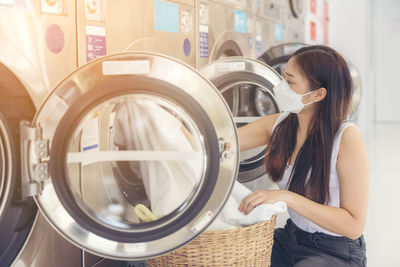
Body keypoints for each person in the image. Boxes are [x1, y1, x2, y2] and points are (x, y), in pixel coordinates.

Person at [237, 45, 369, 266]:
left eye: (290, 82)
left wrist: (287, 197)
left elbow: (353, 225)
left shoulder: (346, 138)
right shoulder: (280, 125)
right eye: (283, 78)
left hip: (335, 250)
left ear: (318, 94)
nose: (280, 87)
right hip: (292, 237)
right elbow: (222, 141)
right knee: (240, 256)